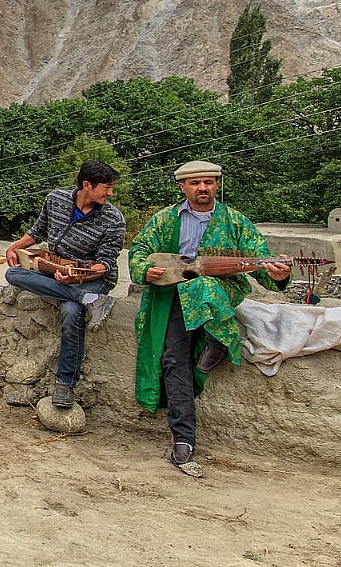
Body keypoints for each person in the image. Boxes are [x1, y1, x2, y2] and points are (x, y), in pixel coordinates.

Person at [128, 160, 292, 478]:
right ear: (183, 187)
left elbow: (263, 262)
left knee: (203, 284)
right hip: (175, 297)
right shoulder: (165, 219)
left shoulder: (235, 222)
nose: (202, 188)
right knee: (173, 360)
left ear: (216, 185)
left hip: (220, 295)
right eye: (195, 183)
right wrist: (145, 269)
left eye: (208, 182)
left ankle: (218, 339)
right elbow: (139, 250)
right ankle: (183, 439)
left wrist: (279, 273)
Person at [3, 160, 126, 408]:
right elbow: (38, 232)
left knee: (71, 311)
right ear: (87, 185)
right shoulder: (56, 199)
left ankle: (65, 383)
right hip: (54, 268)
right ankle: (88, 299)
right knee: (13, 274)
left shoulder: (114, 219)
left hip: (92, 278)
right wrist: (14, 248)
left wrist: (77, 277)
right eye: (106, 187)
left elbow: (105, 265)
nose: (111, 193)